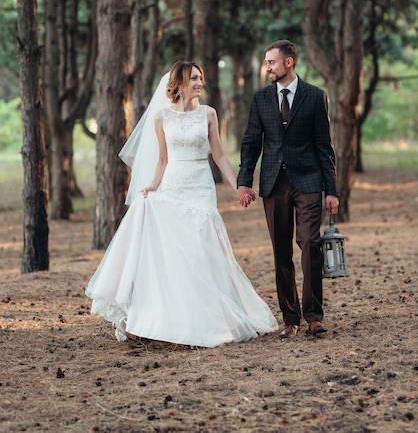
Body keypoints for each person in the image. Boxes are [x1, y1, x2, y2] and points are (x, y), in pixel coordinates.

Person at [86, 61, 278, 347]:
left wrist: (239, 185)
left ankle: (209, 318)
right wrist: (152, 186)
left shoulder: (209, 114)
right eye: (194, 78)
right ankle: (160, 319)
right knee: (172, 255)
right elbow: (163, 160)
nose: (200, 83)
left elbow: (220, 156)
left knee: (202, 250)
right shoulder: (161, 118)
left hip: (201, 186)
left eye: (201, 77)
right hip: (173, 185)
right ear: (180, 83)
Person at [236, 40, 339, 339]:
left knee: (310, 245)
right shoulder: (260, 99)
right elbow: (251, 143)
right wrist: (244, 181)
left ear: (289, 62)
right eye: (266, 62)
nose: (267, 67)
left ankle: (314, 317)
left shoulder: (315, 97)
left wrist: (330, 190)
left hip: (308, 181)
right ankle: (290, 318)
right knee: (281, 251)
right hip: (273, 184)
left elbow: (324, 147)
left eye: (271, 62)